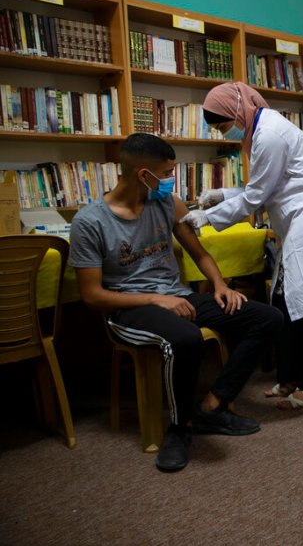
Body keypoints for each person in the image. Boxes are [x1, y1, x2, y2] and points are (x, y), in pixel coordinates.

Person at [69, 133, 283, 472]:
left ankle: (212, 406)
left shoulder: (167, 203)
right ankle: (180, 429)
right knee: (186, 338)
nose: (171, 180)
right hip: (129, 309)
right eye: (167, 173)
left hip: (178, 298)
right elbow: (92, 296)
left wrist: (219, 285)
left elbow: (199, 252)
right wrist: (156, 299)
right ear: (143, 175)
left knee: (267, 318)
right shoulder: (90, 222)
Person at [181, 82, 303, 409]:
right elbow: (264, 187)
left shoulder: (269, 134)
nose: (224, 134)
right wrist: (220, 197)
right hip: (300, 220)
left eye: (223, 126)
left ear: (236, 111)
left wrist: (209, 217)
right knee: (286, 302)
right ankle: (290, 377)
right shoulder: (258, 132)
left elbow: (258, 196)